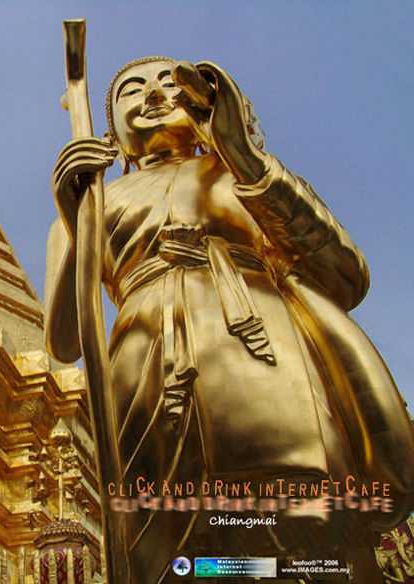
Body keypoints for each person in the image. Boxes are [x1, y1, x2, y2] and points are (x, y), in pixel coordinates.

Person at [45, 57, 414, 583]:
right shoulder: (92, 203)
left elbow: (345, 270)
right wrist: (74, 217)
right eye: (132, 90)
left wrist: (239, 151)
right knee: (167, 543)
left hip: (263, 352)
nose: (153, 95)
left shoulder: (242, 172)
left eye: (170, 85)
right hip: (146, 366)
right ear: (113, 136)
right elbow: (63, 342)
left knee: (305, 522)